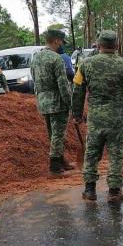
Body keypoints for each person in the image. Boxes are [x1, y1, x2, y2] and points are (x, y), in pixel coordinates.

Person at [72, 30, 123, 203]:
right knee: (116, 153)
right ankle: (114, 191)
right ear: (117, 45)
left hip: (95, 118)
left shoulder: (85, 65)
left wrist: (76, 114)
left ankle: (89, 191)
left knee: (91, 152)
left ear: (98, 45)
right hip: (117, 118)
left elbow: (77, 91)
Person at [32, 29, 75, 175]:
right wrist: (70, 103)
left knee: (53, 133)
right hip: (57, 102)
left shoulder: (36, 58)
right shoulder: (57, 59)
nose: (62, 44)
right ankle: (55, 164)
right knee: (58, 134)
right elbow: (63, 85)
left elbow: (34, 80)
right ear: (57, 41)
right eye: (62, 42)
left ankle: (61, 159)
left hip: (43, 102)